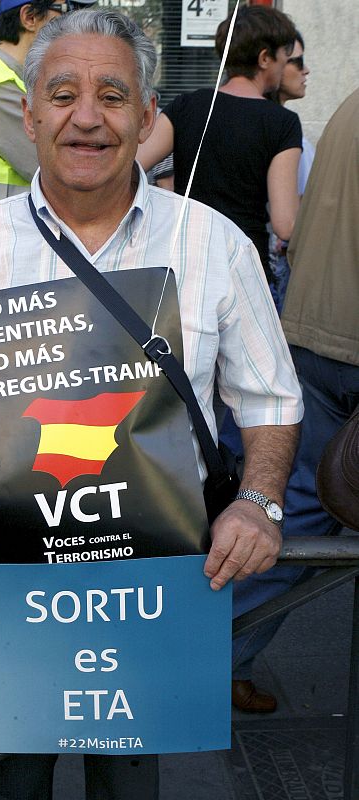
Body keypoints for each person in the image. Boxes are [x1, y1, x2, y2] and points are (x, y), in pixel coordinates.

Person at [0, 10, 303, 797]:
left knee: (130, 779)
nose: (87, 116)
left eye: (113, 95)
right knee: (5, 780)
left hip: (156, 572)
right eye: (63, 93)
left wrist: (260, 500)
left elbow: (273, 399)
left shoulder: (214, 244)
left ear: (148, 116)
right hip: (3, 567)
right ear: (31, 111)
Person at [232, 86, 359, 712]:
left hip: (314, 331)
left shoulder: (349, 105)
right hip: (345, 340)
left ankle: (211, 654)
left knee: (297, 518)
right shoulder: (281, 120)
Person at [138, 4, 302, 280]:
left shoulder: (187, 106)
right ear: (264, 58)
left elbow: (130, 164)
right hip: (244, 264)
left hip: (184, 257)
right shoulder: (281, 123)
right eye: (284, 59)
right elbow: (285, 224)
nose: (285, 67)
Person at [0, 0, 96, 226]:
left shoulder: (12, 81)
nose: (71, 22)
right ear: (29, 17)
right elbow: (66, 177)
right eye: (64, 11)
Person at [267, 31, 314, 314]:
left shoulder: (289, 129)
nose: (306, 70)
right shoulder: (279, 129)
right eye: (297, 61)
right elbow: (288, 224)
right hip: (277, 264)